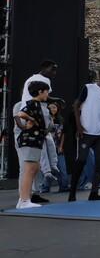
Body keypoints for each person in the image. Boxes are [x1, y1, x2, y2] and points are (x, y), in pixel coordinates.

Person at [68, 67, 100, 202]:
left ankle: (94, 193)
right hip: (86, 130)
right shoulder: (89, 88)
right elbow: (76, 105)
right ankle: (72, 193)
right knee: (81, 160)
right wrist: (79, 125)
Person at [15, 81, 50, 209]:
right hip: (30, 139)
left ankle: (24, 199)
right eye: (46, 91)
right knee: (30, 170)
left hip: (36, 140)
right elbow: (21, 113)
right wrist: (32, 119)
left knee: (33, 169)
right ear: (40, 91)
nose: (47, 94)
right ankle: (24, 200)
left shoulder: (38, 105)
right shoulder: (32, 103)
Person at [41, 102, 70, 193]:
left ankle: (64, 185)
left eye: (55, 107)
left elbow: (63, 134)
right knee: (49, 168)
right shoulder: (45, 119)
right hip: (47, 147)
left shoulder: (61, 120)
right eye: (51, 107)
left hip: (58, 147)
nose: (53, 109)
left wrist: (61, 146)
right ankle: (45, 187)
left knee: (61, 167)